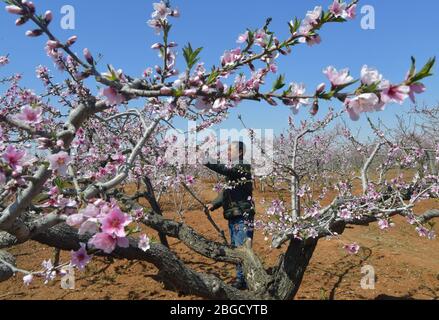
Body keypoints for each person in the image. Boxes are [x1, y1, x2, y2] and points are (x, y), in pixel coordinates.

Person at [205, 141, 255, 290]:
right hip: (234, 215)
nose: (226, 152)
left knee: (242, 249)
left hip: (242, 215)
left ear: (239, 152)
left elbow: (224, 169)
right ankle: (242, 279)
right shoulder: (233, 172)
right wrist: (214, 204)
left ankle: (244, 280)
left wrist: (204, 158)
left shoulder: (242, 166)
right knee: (236, 249)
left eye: (229, 150)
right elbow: (227, 192)